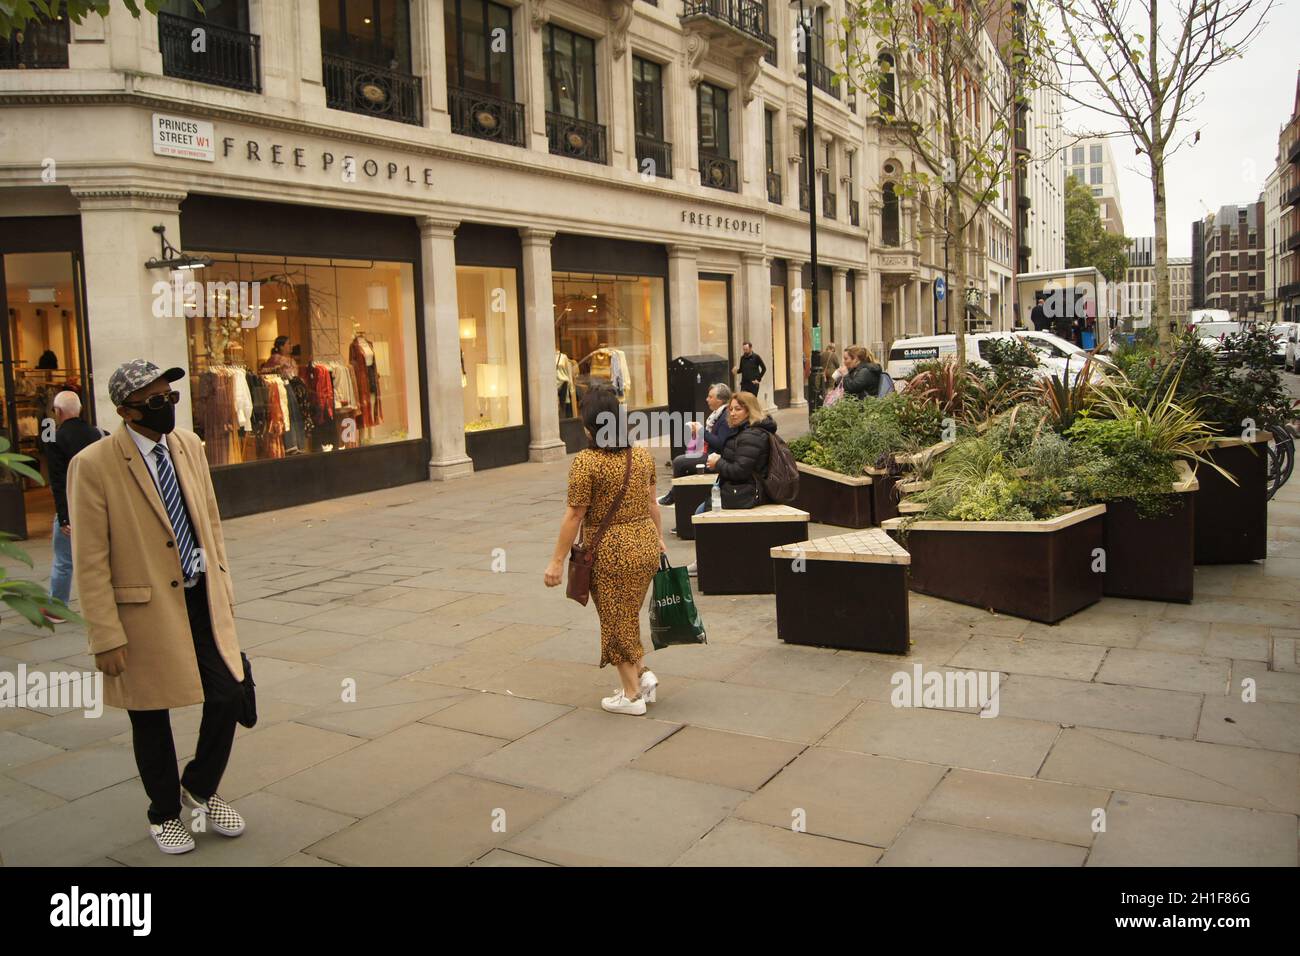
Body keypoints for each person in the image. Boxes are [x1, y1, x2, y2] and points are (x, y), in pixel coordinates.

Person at [69, 359, 248, 855]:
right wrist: (104, 635)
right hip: (141, 612)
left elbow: (210, 523)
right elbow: (89, 559)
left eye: (170, 397)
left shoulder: (189, 445)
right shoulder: (92, 464)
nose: (167, 407)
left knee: (230, 695)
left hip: (199, 598)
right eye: (154, 402)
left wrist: (224, 589)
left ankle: (200, 787)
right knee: (150, 714)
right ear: (127, 411)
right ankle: (164, 812)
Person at [544, 385, 664, 716]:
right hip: (644, 544)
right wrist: (659, 539)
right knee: (627, 615)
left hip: (611, 551)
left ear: (588, 424)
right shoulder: (640, 455)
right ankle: (643, 677)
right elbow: (653, 504)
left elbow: (574, 514)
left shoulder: (587, 461)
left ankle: (631, 696)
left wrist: (556, 562)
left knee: (615, 620)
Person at [43, 390, 101, 624]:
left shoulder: (56, 438)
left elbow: (58, 481)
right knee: (102, 557)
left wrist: (64, 517)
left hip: (74, 505)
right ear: (80, 410)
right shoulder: (98, 433)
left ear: (57, 412)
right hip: (98, 504)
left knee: (64, 560)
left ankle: (57, 609)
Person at [657, 383, 733, 507]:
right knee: (684, 464)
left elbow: (720, 443)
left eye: (710, 397)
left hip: (716, 457)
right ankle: (679, 502)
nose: (707, 399)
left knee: (679, 462)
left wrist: (701, 431)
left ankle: (674, 496)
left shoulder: (724, 416)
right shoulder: (717, 415)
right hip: (709, 454)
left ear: (719, 400)